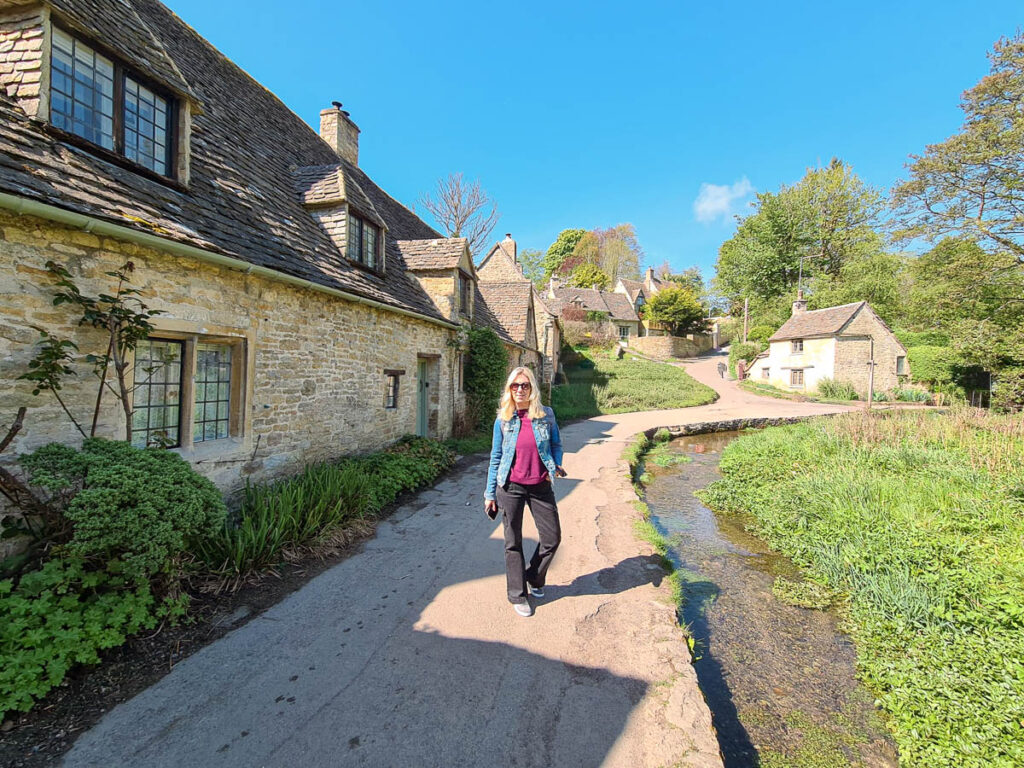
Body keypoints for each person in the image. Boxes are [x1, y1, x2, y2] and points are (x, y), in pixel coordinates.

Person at [484, 366, 566, 618]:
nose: (520, 390)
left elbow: (555, 444)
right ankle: (518, 594)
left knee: (552, 538)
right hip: (510, 487)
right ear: (509, 389)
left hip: (540, 484)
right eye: (515, 386)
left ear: (532, 388)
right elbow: (496, 456)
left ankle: (533, 576)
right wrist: (489, 493)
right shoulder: (504, 419)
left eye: (525, 385)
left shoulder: (546, 415)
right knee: (513, 542)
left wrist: (557, 462)